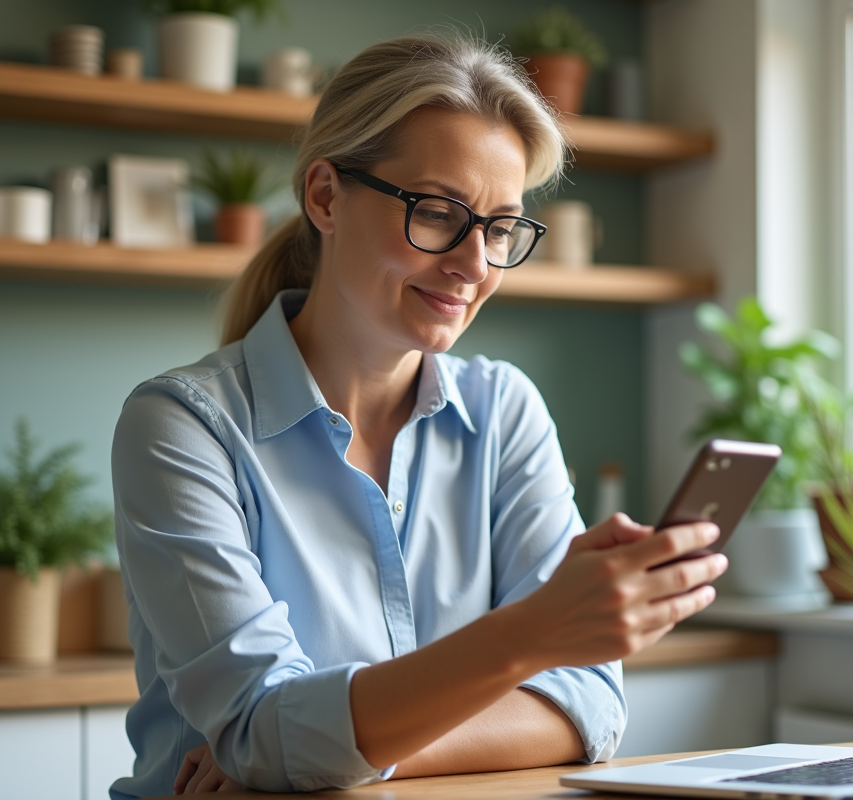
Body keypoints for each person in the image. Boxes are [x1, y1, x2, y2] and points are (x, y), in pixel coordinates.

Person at [109, 33, 727, 798]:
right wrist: (529, 639)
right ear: (326, 196)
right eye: (439, 213)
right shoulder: (182, 426)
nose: (473, 266)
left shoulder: (504, 410)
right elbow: (260, 730)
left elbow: (589, 705)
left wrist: (325, 756)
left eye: (500, 228)